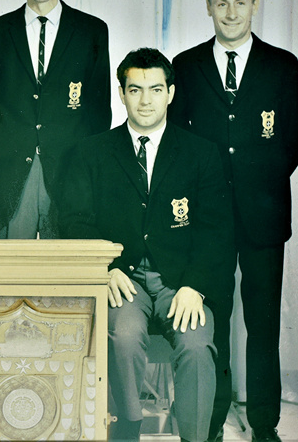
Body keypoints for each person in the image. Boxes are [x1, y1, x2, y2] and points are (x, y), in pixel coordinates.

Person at [60, 48, 235, 442]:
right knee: (123, 336)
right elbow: (73, 221)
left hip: (181, 282)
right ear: (121, 93)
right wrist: (105, 269)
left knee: (196, 344)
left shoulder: (200, 153)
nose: (145, 100)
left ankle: (195, 438)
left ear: (170, 93)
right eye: (135, 89)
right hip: (123, 281)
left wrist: (195, 286)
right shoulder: (91, 152)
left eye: (155, 89)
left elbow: (217, 231)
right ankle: (126, 433)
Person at [169, 0, 298, 442]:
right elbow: (178, 142)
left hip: (263, 217)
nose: (231, 13)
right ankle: (211, 420)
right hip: (206, 220)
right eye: (221, 3)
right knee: (212, 322)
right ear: (208, 6)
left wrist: (259, 185)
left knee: (263, 323)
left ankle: (264, 424)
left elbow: (294, 137)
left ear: (255, 5)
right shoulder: (186, 66)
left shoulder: (282, 65)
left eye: (240, 2)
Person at [0, 0, 111, 238]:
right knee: (13, 263)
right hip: (12, 171)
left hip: (70, 170)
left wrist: (86, 167)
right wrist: (2, 152)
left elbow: (100, 110)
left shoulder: (91, 31)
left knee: (66, 261)